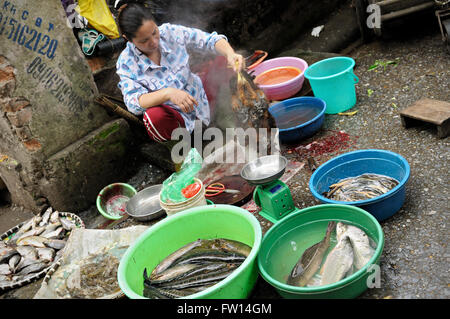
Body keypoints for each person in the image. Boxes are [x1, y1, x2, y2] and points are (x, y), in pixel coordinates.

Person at [115, 1, 244, 144]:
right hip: (176, 117)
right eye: (144, 40)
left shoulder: (170, 32)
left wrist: (230, 54)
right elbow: (133, 102)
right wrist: (168, 93)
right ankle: (184, 146)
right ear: (129, 39)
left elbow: (209, 40)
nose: (154, 42)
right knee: (153, 117)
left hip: (199, 99)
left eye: (154, 32)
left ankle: (223, 117)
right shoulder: (126, 63)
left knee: (222, 61)